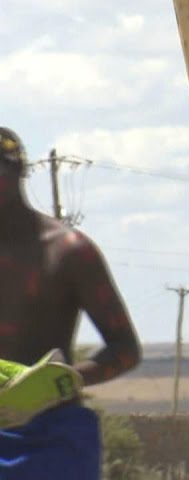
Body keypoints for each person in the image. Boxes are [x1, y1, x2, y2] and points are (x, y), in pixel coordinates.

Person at [0, 127, 141, 478]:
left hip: (53, 442)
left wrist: (57, 384)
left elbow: (125, 349)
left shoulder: (67, 251)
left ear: (18, 170)